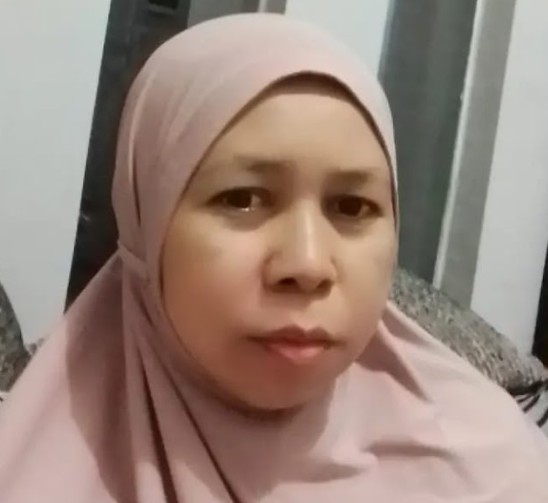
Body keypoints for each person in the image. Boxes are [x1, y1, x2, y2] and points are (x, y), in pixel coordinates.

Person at [0, 13, 547, 502]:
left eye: (352, 206)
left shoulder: (491, 465)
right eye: (242, 199)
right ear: (146, 221)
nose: (307, 265)